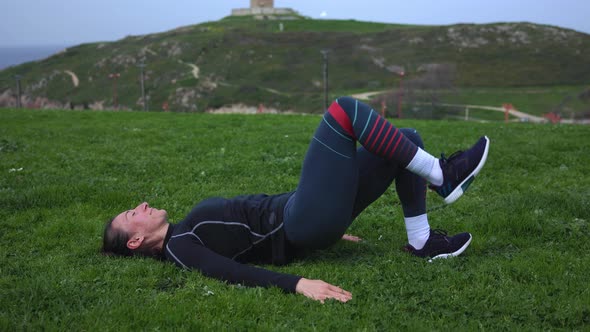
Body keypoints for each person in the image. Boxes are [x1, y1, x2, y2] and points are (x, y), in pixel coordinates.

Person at [103, 96, 490, 304]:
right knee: (343, 111)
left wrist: (329, 230)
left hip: (308, 214)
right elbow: (232, 273)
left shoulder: (188, 228)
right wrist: (298, 284)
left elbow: (245, 246)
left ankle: (422, 241)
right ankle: (443, 176)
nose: (139, 205)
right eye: (131, 215)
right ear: (135, 241)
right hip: (301, 221)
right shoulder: (181, 248)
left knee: (405, 139)